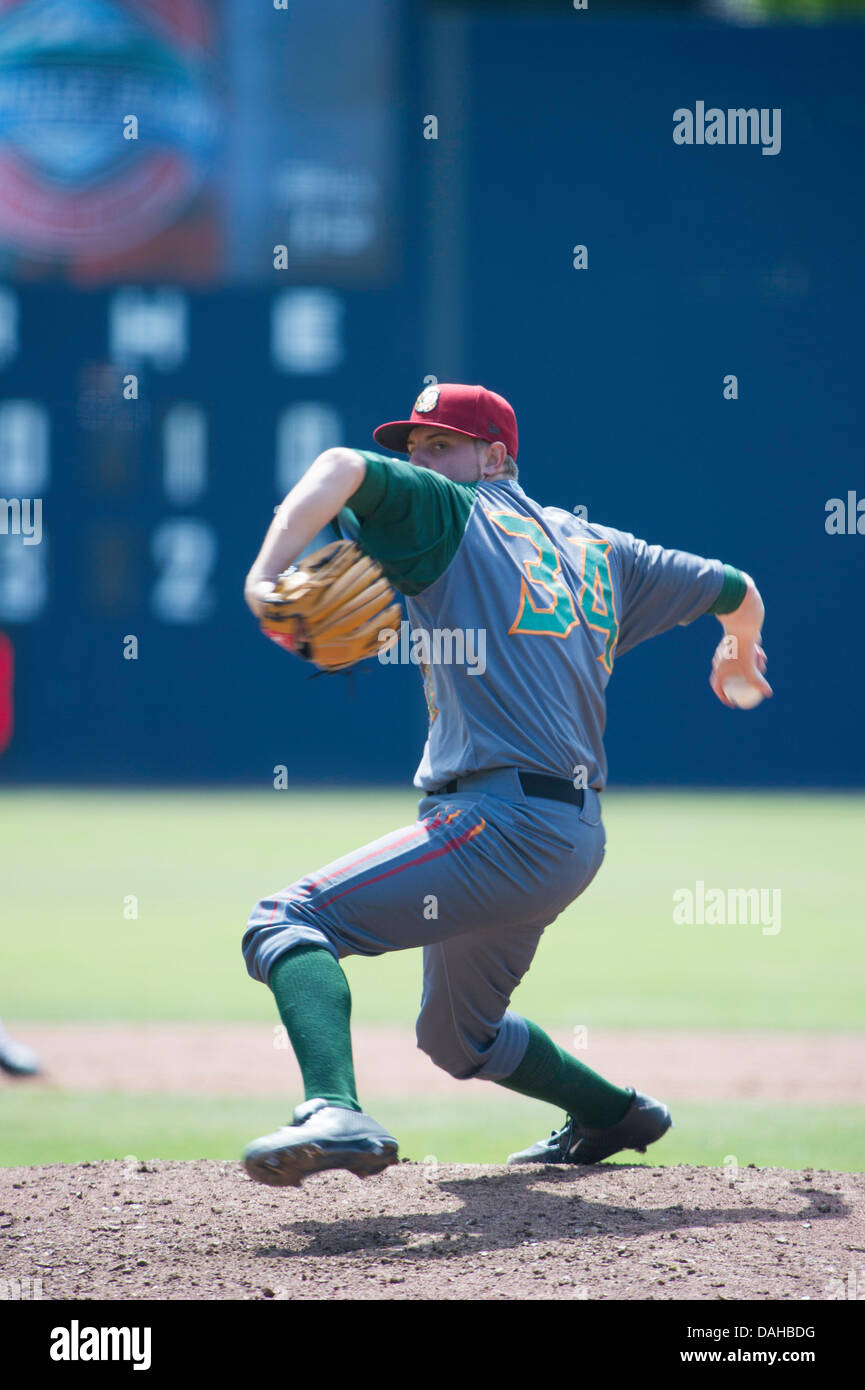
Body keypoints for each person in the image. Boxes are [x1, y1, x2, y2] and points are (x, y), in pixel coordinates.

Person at [240, 383, 771, 1187]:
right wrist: (739, 644)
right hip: (569, 837)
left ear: (495, 458)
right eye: (412, 451)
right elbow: (734, 587)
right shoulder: (603, 550)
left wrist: (265, 575)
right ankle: (614, 1113)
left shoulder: (452, 511)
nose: (419, 463)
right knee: (459, 1039)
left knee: (288, 919)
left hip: (498, 826)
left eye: (439, 446)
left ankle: (334, 1108)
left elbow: (342, 465)